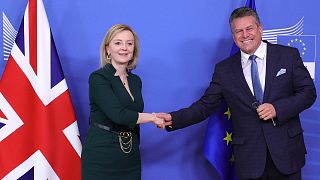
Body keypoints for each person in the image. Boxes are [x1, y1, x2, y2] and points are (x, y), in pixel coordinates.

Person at [157, 7, 316, 180]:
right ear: (233, 36)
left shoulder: (287, 55)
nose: (245, 35)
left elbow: (308, 93)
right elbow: (205, 106)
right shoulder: (224, 70)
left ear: (260, 29)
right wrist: (174, 118)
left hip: (287, 154)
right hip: (250, 160)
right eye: (238, 31)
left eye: (249, 29)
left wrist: (277, 109)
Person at [81, 24, 164, 180]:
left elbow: (133, 117)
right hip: (102, 156)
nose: (124, 48)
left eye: (129, 43)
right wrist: (153, 117)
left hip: (129, 156)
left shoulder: (136, 81)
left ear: (134, 49)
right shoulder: (98, 78)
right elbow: (119, 115)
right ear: (107, 49)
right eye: (118, 43)